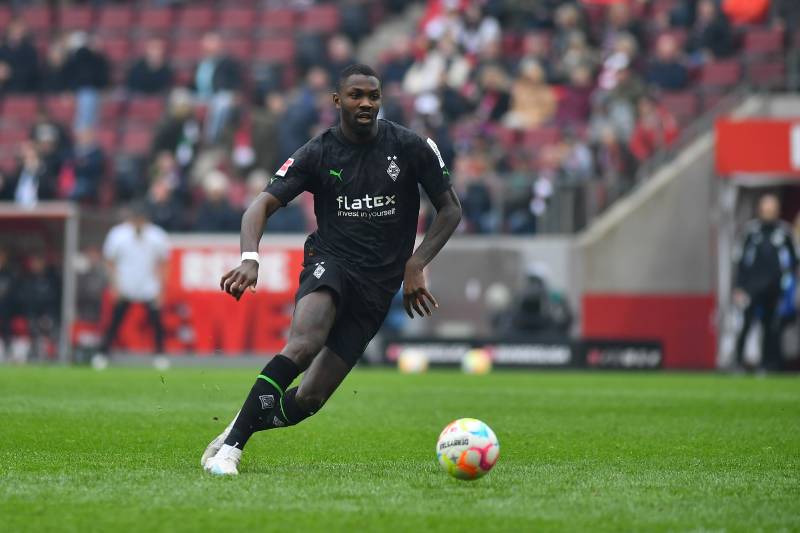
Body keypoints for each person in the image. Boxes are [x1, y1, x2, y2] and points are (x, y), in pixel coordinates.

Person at [201, 64, 462, 475]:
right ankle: (231, 449)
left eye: (373, 96)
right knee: (304, 345)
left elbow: (450, 209)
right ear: (337, 100)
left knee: (309, 400)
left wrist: (416, 262)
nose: (366, 103)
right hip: (331, 263)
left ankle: (243, 420)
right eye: (356, 95)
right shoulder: (318, 152)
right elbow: (260, 205)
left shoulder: (410, 147)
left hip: (378, 285)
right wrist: (250, 258)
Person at [734, 194, 797, 372]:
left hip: (775, 288)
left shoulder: (784, 232)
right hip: (752, 287)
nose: (769, 211)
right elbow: (741, 262)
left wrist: (789, 288)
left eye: (772, 208)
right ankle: (738, 362)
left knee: (772, 327)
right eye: (766, 208)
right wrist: (739, 286)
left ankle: (770, 363)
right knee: (745, 323)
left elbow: (792, 262)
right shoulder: (751, 231)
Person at [99, 203, 170, 357]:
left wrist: (161, 289)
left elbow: (164, 263)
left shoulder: (157, 236)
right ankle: (103, 353)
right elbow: (109, 262)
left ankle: (160, 355)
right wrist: (114, 286)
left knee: (157, 323)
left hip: (148, 287)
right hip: (126, 286)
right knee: (114, 322)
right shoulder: (118, 235)